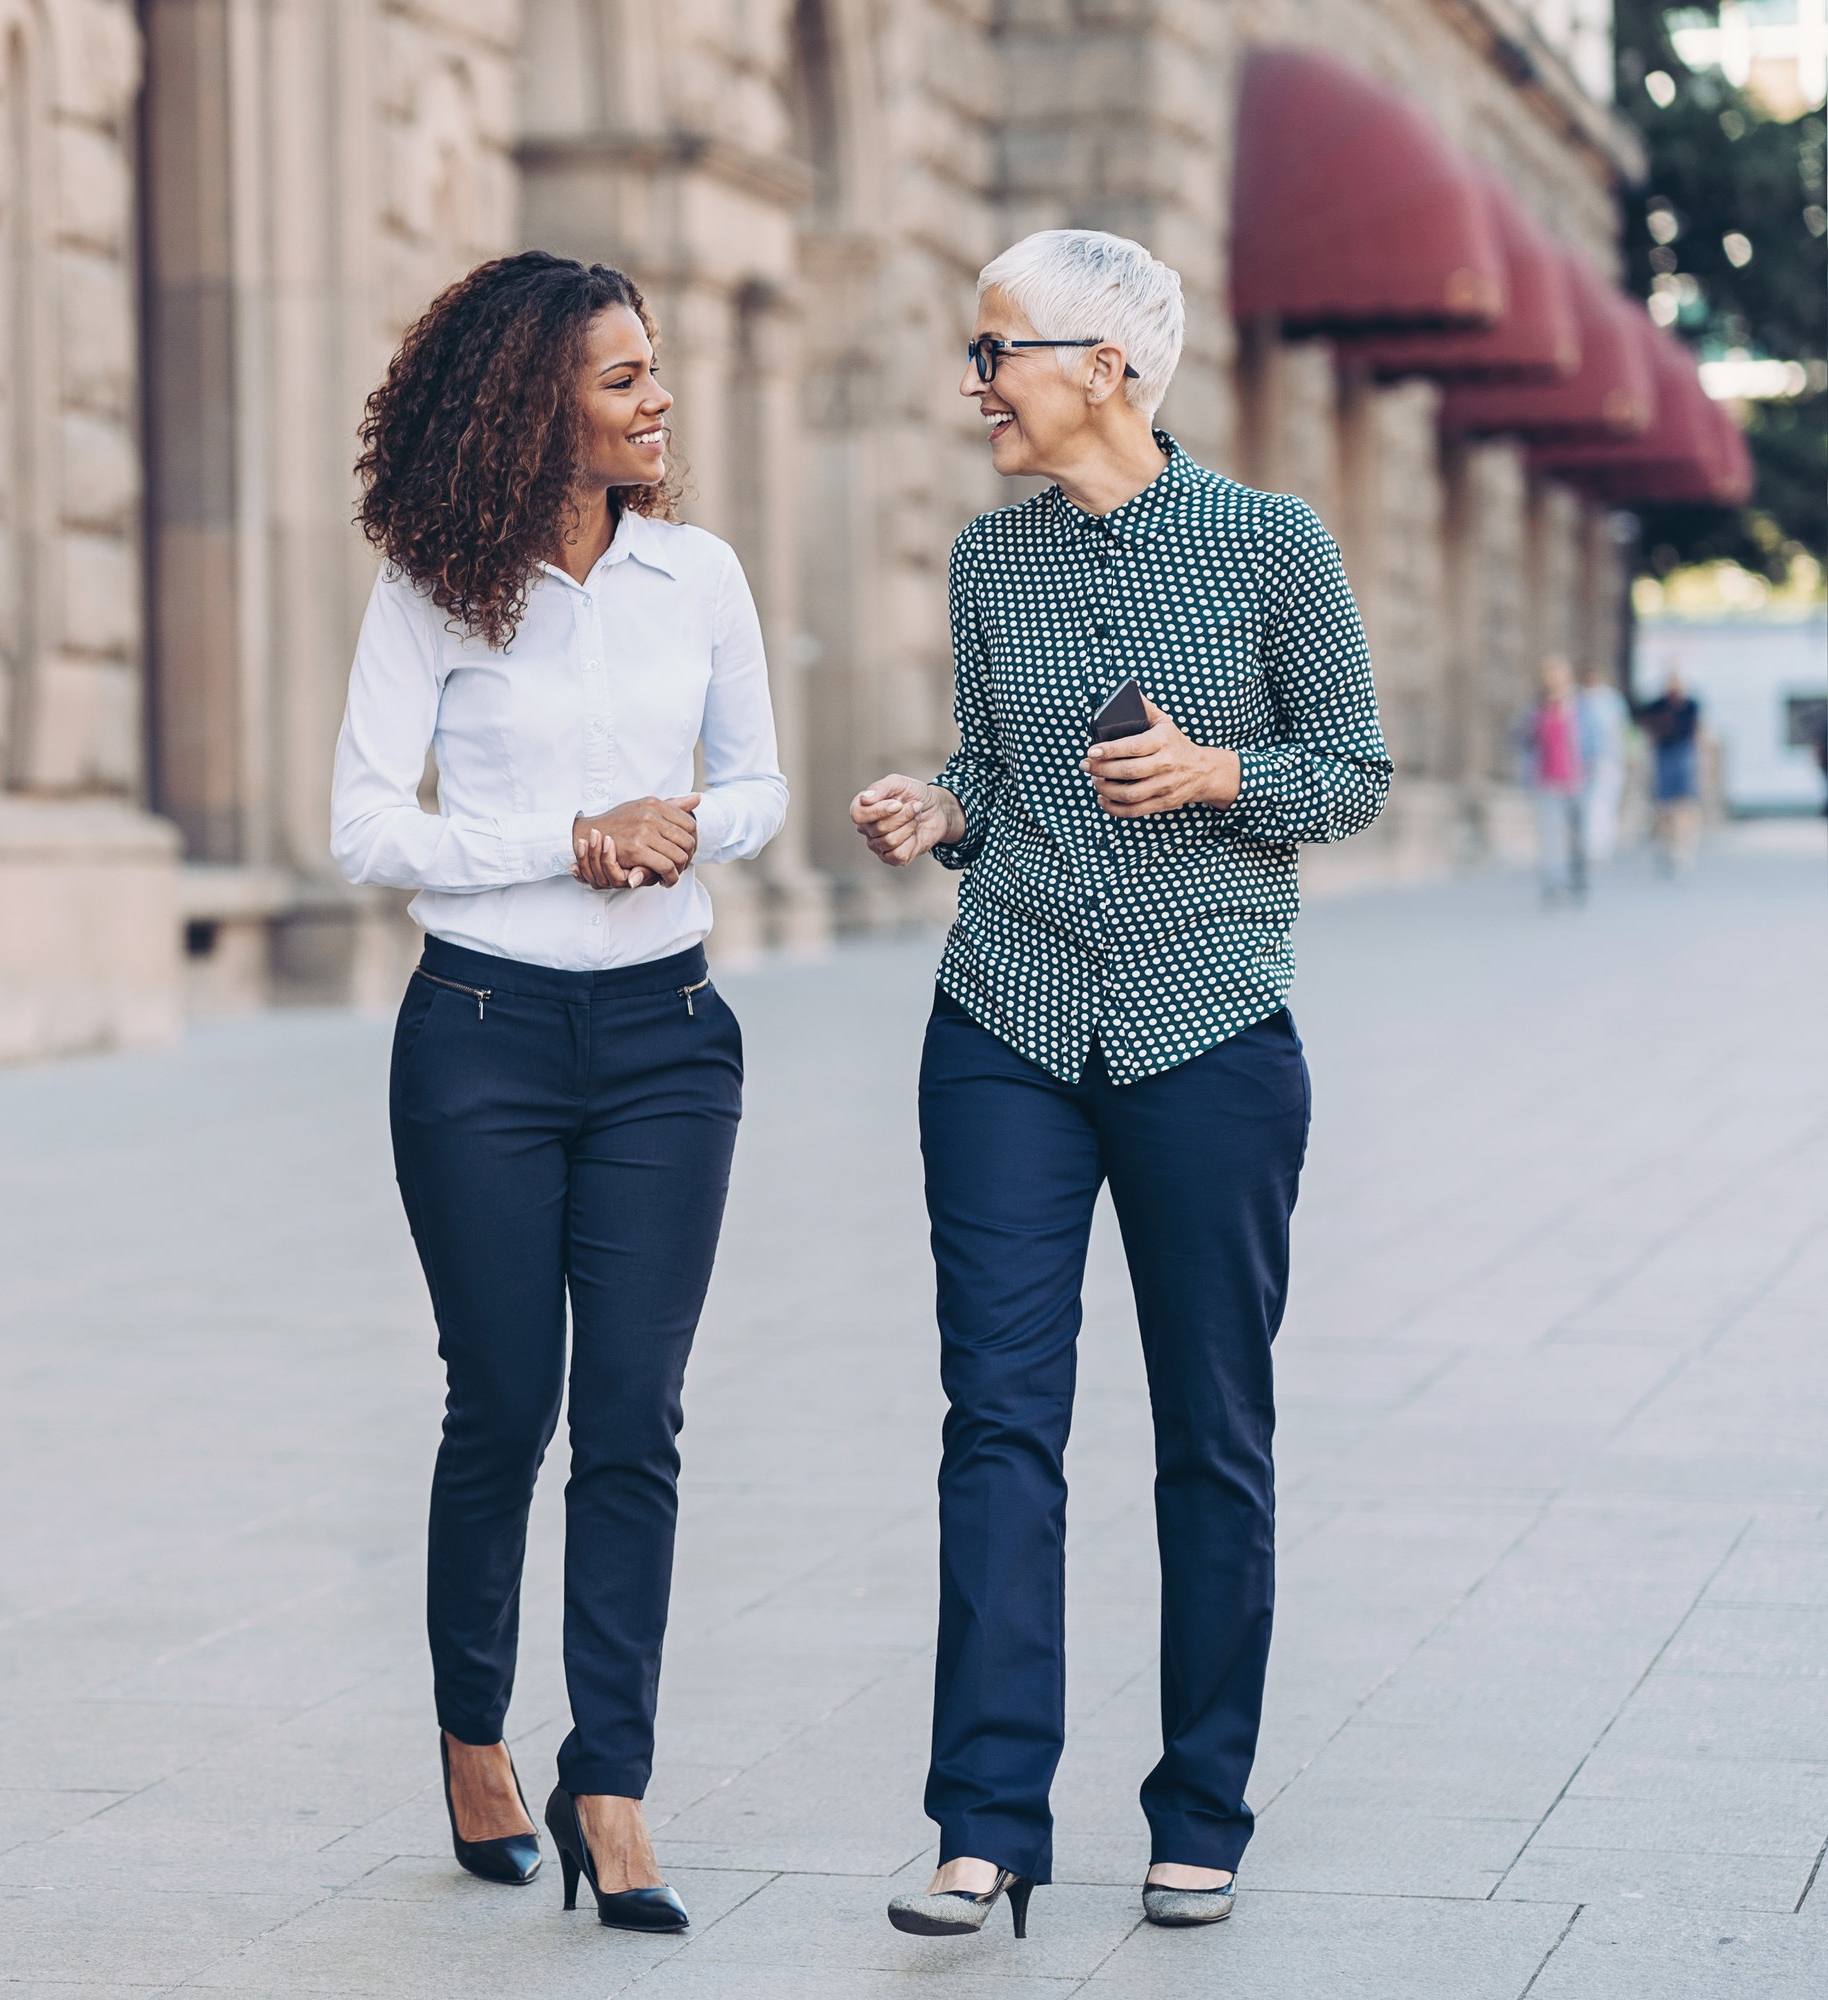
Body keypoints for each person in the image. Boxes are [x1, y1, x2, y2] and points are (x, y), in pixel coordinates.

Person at [848, 229, 1390, 1940]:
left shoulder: (1270, 545)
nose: (971, 381)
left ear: (1105, 368)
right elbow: (999, 775)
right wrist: (942, 808)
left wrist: (1217, 768)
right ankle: (984, 1821)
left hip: (1207, 1037)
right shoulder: (986, 568)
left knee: (1211, 1437)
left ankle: (1201, 1808)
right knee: (997, 1423)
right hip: (1002, 1026)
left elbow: (1358, 770)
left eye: (994, 348)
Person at [330, 251, 788, 1934]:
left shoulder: (701, 578)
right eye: (621, 377)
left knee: (636, 1417)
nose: (657, 396)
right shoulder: (433, 593)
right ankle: (473, 1735)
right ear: (538, 407)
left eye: (653, 368)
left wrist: (680, 822)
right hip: (480, 1043)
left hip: (669, 1045)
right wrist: (564, 837)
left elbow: (759, 781)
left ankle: (614, 1783)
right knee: (505, 1402)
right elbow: (367, 827)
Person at [1522, 658, 1593, 906]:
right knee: (1551, 837)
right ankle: (1552, 886)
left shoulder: (1582, 706)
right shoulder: (1537, 708)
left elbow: (1595, 741)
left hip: (1577, 780)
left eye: (1558, 674)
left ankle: (1577, 881)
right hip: (1547, 781)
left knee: (1576, 836)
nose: (1553, 680)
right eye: (1549, 675)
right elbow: (1526, 739)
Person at [1635, 668, 1703, 875]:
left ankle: (1682, 849)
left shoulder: (1690, 705)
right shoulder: (1657, 705)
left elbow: (1696, 730)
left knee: (1684, 806)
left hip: (1683, 755)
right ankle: (1665, 845)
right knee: (1663, 807)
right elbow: (1646, 726)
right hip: (1663, 756)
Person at [1578, 665, 1632, 866]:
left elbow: (1622, 729)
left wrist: (1625, 755)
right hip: (1583, 760)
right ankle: (1589, 844)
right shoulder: (1578, 700)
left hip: (1608, 758)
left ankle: (1601, 844)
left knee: (1604, 802)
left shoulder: (1611, 700)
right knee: (1588, 803)